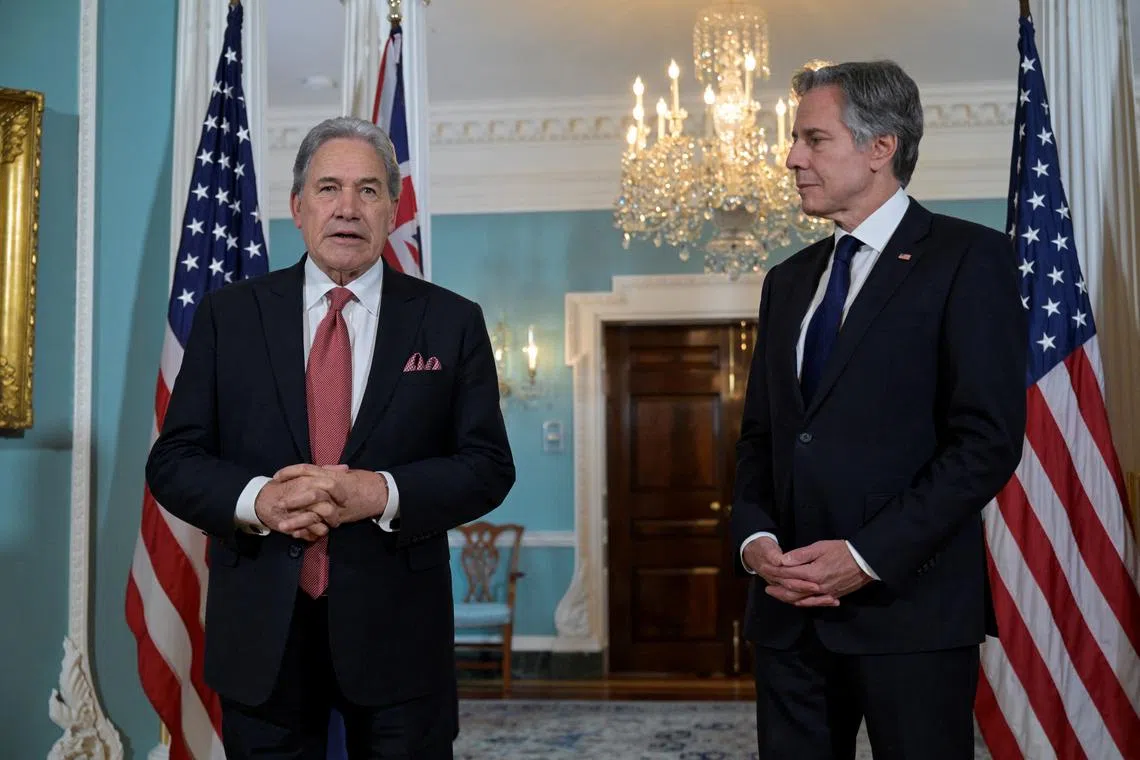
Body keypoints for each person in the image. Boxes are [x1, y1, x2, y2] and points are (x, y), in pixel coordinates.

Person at [146, 116, 515, 759]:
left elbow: (487, 465)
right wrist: (258, 501)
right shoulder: (229, 316)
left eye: (370, 190)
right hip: (262, 633)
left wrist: (382, 492)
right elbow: (174, 461)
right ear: (296, 206)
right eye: (329, 188)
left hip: (399, 638)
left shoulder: (451, 321)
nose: (348, 208)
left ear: (393, 209)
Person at [731, 61, 1026, 759]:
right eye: (794, 140)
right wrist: (755, 544)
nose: (791, 157)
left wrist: (866, 557)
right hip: (787, 616)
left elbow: (984, 442)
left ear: (880, 147)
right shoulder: (787, 280)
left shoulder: (968, 259)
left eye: (813, 139)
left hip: (910, 614)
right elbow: (761, 440)